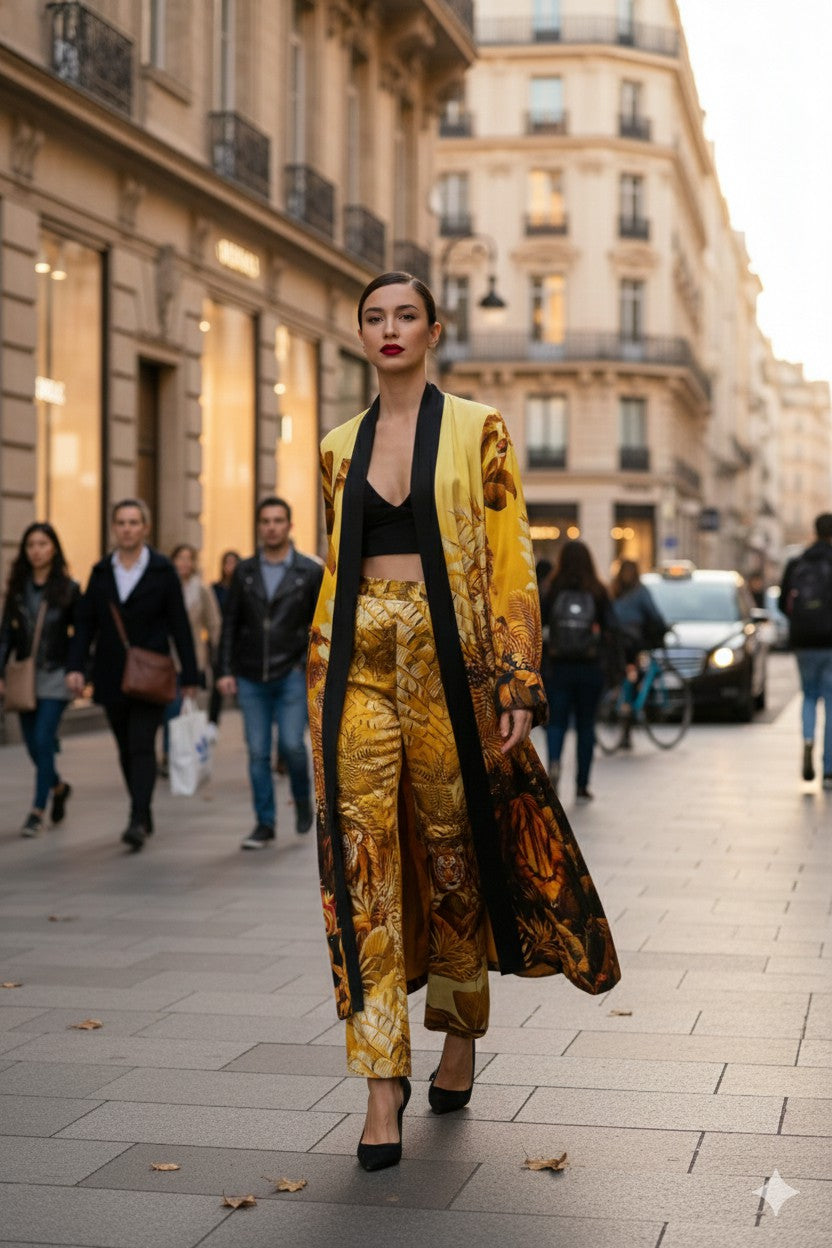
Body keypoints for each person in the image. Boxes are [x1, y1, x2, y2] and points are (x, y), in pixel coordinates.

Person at [307, 271, 620, 1173]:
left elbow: (511, 552)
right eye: (374, 317)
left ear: (435, 329)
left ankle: (457, 1038)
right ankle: (379, 1084)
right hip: (357, 663)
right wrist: (318, 672)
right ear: (361, 334)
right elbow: (336, 566)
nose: (389, 328)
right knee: (362, 859)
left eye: (405, 315)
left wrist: (519, 679)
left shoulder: (480, 429)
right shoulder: (336, 445)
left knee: (451, 856)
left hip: (452, 664)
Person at [66, 499, 198, 851]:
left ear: (145, 528)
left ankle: (137, 818)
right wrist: (76, 666)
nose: (127, 528)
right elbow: (85, 624)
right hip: (110, 674)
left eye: (133, 522)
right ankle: (143, 808)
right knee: (125, 747)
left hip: (151, 673)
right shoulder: (100, 572)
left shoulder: (162, 570)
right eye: (121, 522)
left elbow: (179, 625)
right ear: (114, 528)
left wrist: (190, 676)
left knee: (142, 745)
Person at [216, 498, 322, 849]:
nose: (272, 526)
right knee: (258, 752)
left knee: (292, 744)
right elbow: (230, 623)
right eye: (265, 521)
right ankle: (264, 823)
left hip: (291, 672)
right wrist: (225, 669)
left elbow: (320, 626)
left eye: (278, 520)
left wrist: (310, 668)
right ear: (259, 527)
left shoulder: (308, 571)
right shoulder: (244, 572)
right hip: (249, 675)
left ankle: (302, 798)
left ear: (290, 526)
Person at [0, 523, 80, 836]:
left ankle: (37, 809)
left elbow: (79, 634)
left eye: (43, 544)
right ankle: (58, 788)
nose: (36, 550)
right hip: (25, 674)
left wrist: (77, 668)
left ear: (54, 549)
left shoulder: (69, 589)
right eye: (31, 544)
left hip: (56, 673)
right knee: (33, 745)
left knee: (45, 738)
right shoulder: (18, 590)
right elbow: (5, 634)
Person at [539, 539, 616, 801]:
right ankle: (582, 784)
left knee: (556, 723)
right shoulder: (598, 590)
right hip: (590, 669)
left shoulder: (552, 589)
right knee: (586, 726)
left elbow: (538, 628)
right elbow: (612, 632)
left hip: (558, 668)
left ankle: (554, 765)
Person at [779, 513, 832, 787]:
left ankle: (808, 741)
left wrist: (802, 624)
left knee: (809, 696)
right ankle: (829, 768)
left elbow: (781, 603)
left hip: (803, 642)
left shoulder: (797, 562)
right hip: (831, 644)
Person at [159, 543, 222, 773]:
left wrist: (217, 655)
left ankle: (175, 753)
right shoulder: (163, 587)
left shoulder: (201, 589)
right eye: (179, 558)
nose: (183, 563)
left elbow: (214, 623)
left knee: (179, 707)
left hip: (191, 658)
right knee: (169, 707)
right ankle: (169, 751)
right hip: (164, 657)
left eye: (188, 559)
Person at [610, 559, 668, 748]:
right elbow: (654, 615)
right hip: (634, 642)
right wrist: (664, 628)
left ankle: (621, 702)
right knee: (638, 675)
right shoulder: (640, 591)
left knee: (625, 674)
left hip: (616, 642)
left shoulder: (614, 590)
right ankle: (630, 714)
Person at [208, 550, 240, 730]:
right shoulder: (216, 589)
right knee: (218, 682)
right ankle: (213, 721)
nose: (231, 567)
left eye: (234, 563)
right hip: (221, 641)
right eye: (228, 563)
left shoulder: (246, 588)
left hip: (241, 643)